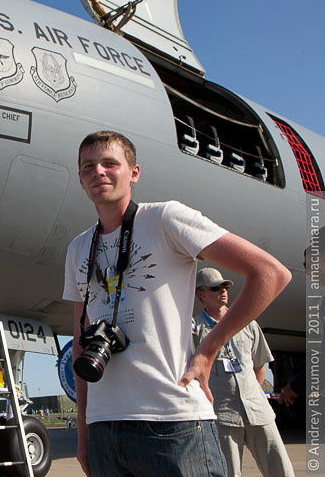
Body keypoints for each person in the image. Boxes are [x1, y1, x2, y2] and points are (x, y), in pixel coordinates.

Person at [63, 130, 291, 477]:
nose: (99, 172)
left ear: (134, 172)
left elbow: (271, 274)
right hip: (104, 427)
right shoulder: (79, 248)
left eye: (110, 163)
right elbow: (81, 343)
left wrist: (209, 349)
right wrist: (83, 432)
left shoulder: (165, 219)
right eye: (88, 166)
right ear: (80, 178)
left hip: (173, 422)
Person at [193, 267, 294, 477]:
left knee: (280, 468)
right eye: (215, 288)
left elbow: (259, 366)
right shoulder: (194, 329)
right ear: (201, 294)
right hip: (222, 415)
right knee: (229, 472)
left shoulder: (248, 323)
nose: (222, 291)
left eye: (224, 286)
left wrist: (253, 394)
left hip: (257, 411)